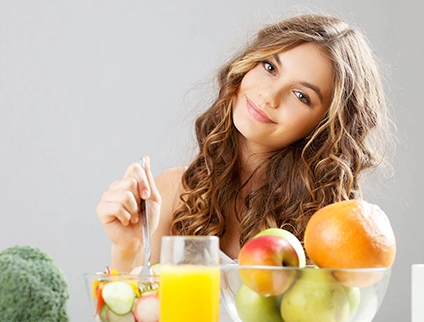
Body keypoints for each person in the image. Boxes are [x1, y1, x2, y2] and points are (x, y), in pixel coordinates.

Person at [96, 13, 392, 273]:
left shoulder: (333, 228)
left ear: (325, 126)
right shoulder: (172, 193)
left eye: (301, 96)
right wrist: (129, 249)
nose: (269, 96)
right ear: (247, 65)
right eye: (270, 67)